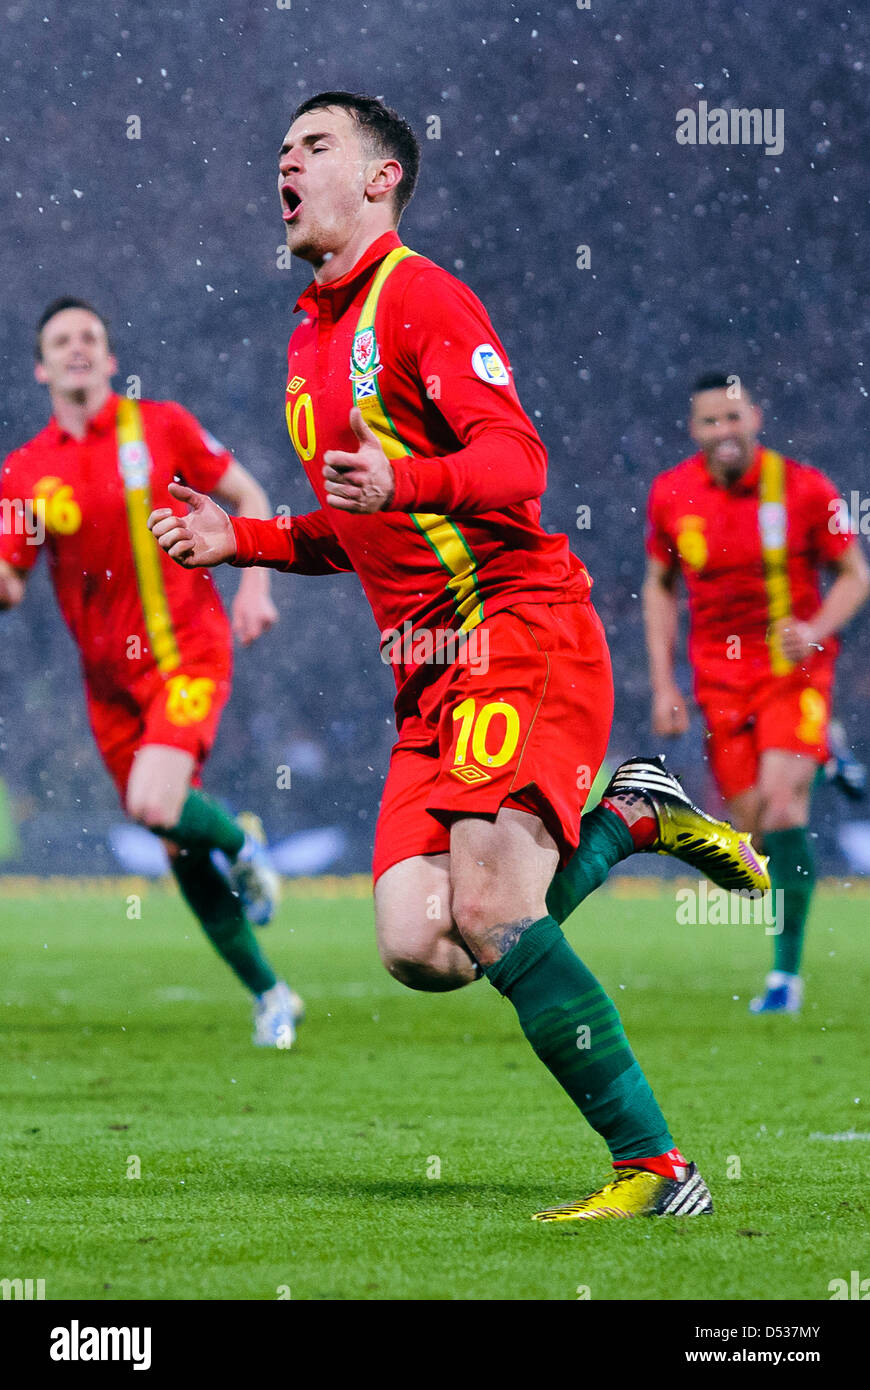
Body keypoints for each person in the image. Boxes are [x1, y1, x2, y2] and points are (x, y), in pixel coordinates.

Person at [150, 93, 768, 1221]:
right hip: (426, 674)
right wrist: (235, 536)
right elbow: (361, 525)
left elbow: (516, 461)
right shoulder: (307, 344)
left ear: (381, 179)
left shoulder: (422, 297)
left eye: (314, 145)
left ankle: (658, 1168)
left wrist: (409, 479)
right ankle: (630, 817)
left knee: (488, 908)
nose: (284, 160)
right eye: (280, 147)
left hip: (516, 623)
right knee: (419, 944)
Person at [0, 297, 303, 1048]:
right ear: (41, 366)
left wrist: (256, 583)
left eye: (91, 337)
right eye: (62, 340)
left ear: (108, 358)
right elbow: (10, 583)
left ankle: (243, 840)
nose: (78, 348)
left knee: (155, 801)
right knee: (172, 840)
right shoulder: (26, 472)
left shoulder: (160, 424)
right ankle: (272, 994)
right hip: (108, 688)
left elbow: (250, 497)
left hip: (186, 654)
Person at [643, 372, 869, 1013]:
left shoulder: (804, 488)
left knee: (779, 808)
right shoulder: (672, 493)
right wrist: (664, 684)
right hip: (719, 682)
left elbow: (854, 574)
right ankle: (827, 755)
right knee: (751, 837)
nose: (725, 432)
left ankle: (785, 979)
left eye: (734, 418)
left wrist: (818, 628)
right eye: (711, 422)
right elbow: (661, 586)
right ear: (694, 431)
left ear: (756, 417)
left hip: (793, 674)